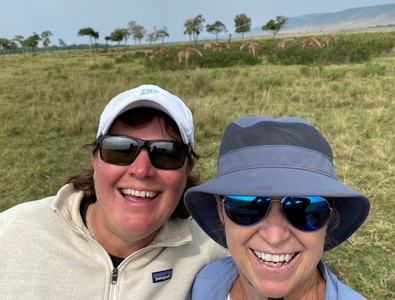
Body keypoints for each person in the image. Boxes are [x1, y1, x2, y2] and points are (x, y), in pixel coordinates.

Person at [0, 84, 227, 299]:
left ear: (187, 170)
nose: (141, 170)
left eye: (166, 153)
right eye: (120, 148)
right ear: (95, 162)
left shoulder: (215, 250)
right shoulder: (11, 235)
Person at [184, 116, 370, 300]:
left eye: (305, 209)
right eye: (247, 205)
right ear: (220, 209)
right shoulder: (203, 285)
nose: (275, 237)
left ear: (329, 215)